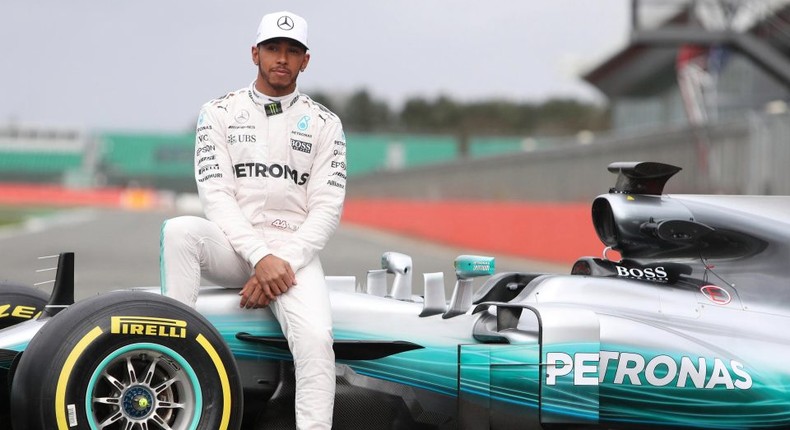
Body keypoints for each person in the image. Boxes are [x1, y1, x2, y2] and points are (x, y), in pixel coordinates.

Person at [159, 10, 345, 430]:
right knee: (179, 231)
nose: (282, 58)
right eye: (273, 49)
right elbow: (217, 198)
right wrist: (260, 257)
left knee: (316, 342)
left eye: (292, 51)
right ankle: (171, 385)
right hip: (235, 246)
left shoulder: (325, 124)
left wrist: (279, 262)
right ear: (255, 53)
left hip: (293, 258)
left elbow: (327, 208)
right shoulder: (218, 112)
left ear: (305, 61)